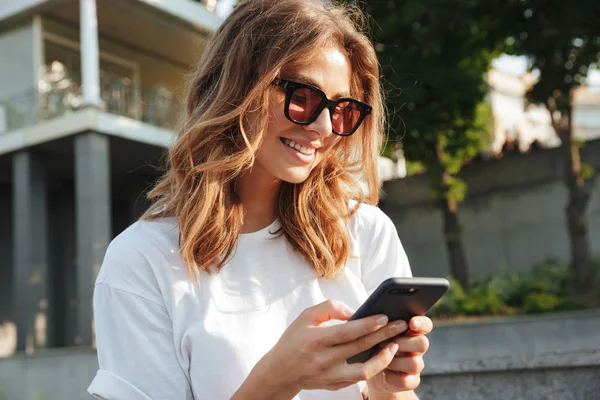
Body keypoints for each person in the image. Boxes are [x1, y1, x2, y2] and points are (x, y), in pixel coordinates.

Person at [87, 0, 433, 399]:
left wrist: (384, 389)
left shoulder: (365, 232)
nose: (324, 127)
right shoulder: (142, 260)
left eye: (342, 110)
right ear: (236, 88)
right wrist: (278, 380)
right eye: (303, 97)